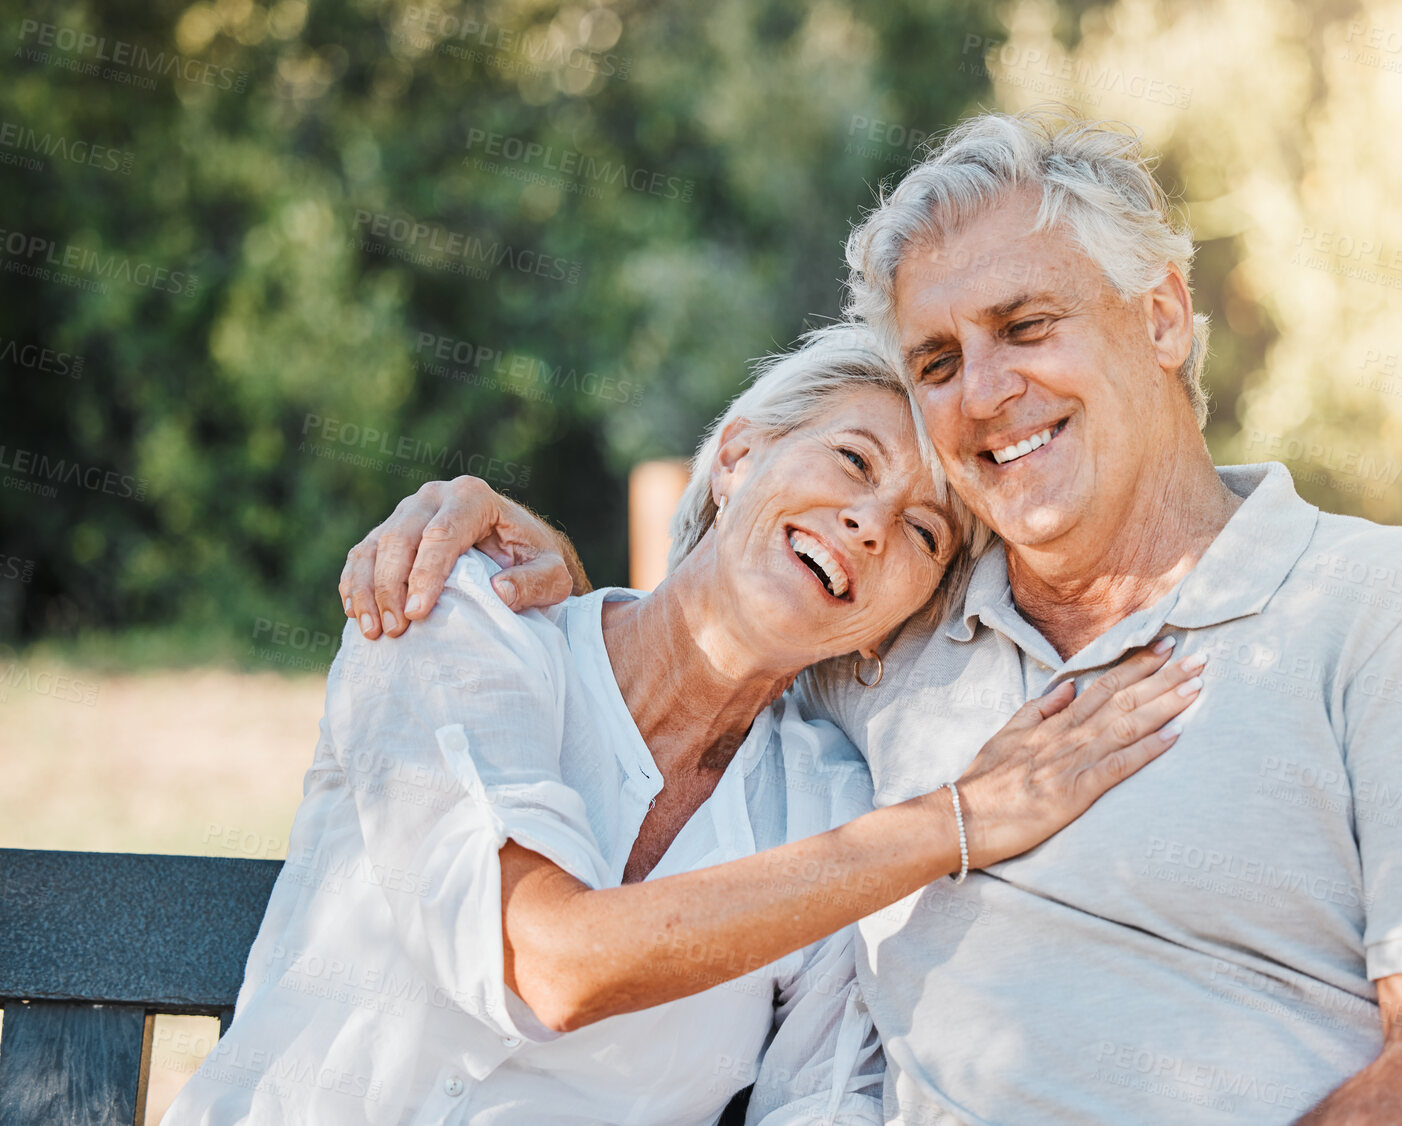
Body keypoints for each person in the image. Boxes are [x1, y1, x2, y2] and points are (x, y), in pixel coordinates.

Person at [343, 111, 1402, 1124]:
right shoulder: (892, 636)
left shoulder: (1392, 611)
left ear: (1161, 317)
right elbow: (719, 624)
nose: (987, 392)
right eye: (936, 361)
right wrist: (532, 565)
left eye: (1026, 325)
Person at [165, 324, 1206, 1126]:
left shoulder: (830, 809)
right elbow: (549, 963)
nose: (870, 521)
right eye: (851, 460)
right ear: (739, 456)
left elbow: (820, 1102)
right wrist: (962, 820)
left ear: (899, 618)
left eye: (924, 532)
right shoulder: (465, 610)